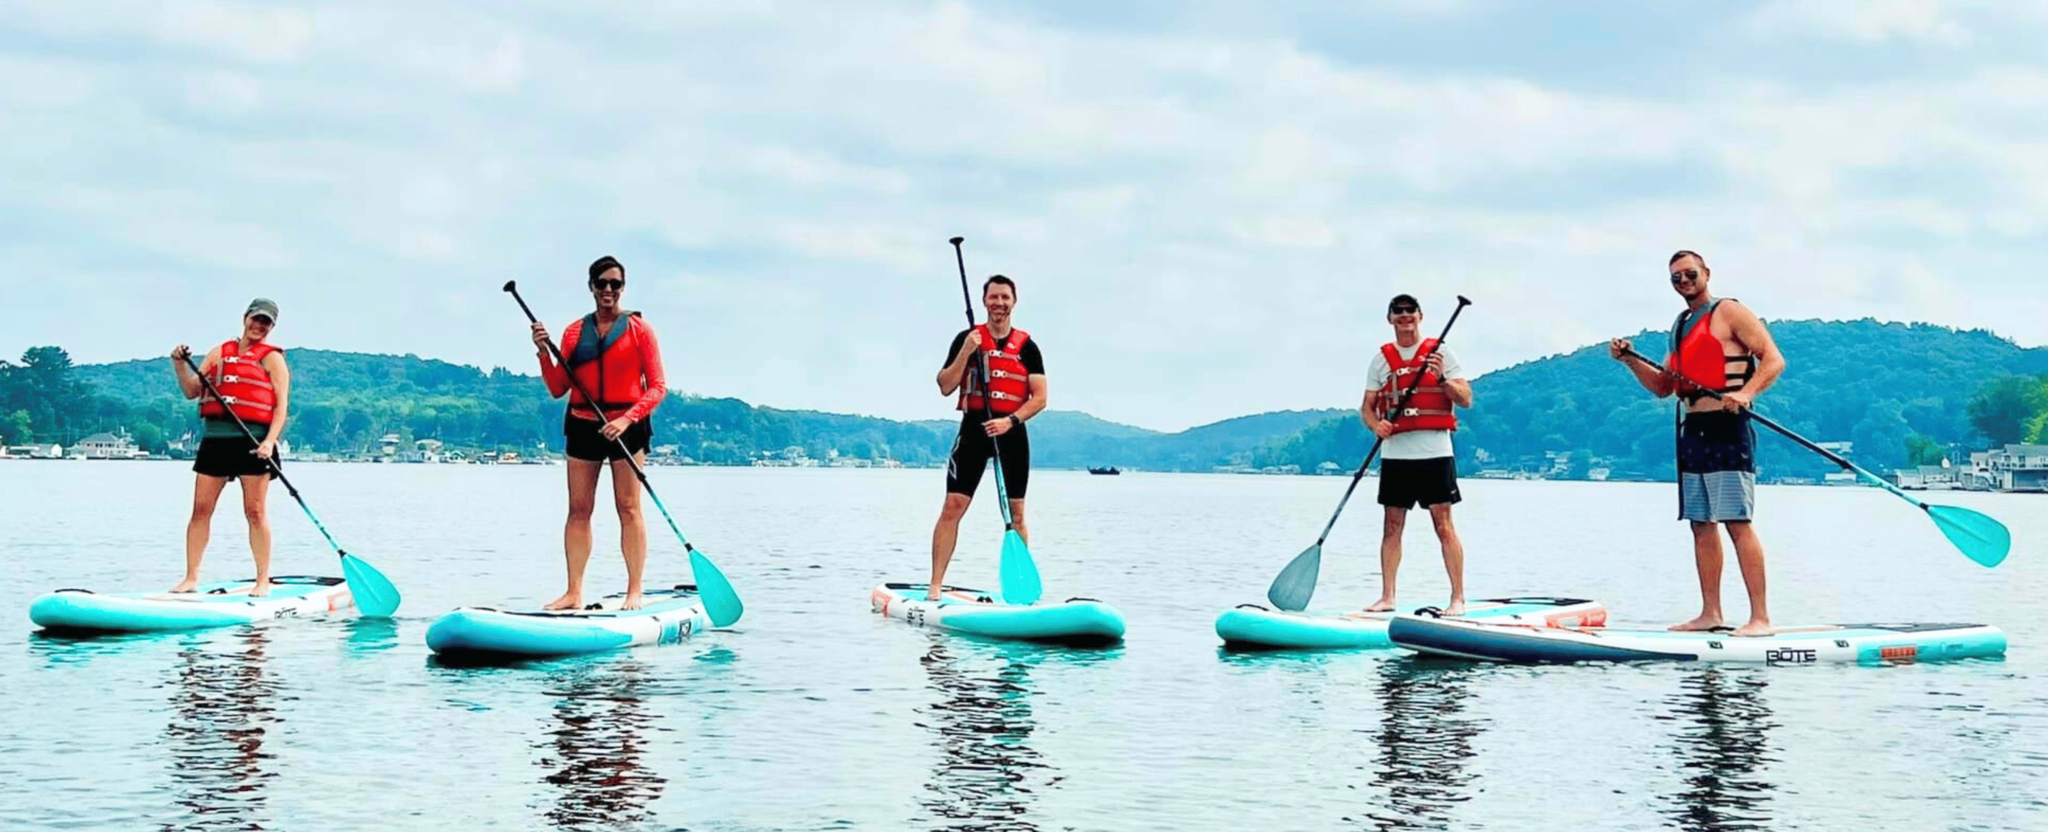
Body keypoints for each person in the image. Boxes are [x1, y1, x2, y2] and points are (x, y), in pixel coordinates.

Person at [1609, 250, 1786, 637]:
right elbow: (1662, 387)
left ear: (1706, 273)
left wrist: (1747, 393)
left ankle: (1761, 618)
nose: (1684, 281)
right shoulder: (1681, 325)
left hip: (1728, 426)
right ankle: (1711, 613)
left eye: (1690, 273)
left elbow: (1773, 360)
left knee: (1737, 521)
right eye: (1675, 277)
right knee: (1700, 524)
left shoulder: (1730, 312)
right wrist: (1629, 361)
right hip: (1693, 428)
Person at [531, 255, 668, 611]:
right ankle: (574, 592)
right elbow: (558, 388)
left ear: (623, 288)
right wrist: (544, 353)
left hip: (628, 426)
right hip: (582, 424)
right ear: (591, 286)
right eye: (602, 283)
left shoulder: (640, 330)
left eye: (615, 284)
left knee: (628, 507)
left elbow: (657, 387)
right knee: (578, 509)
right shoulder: (575, 332)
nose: (609, 290)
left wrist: (627, 419)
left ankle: (634, 590)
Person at [928, 275, 1047, 600]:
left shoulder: (1028, 347)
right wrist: (966, 351)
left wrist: (1010, 421)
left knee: (1017, 513)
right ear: (984, 301)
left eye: (1005, 297)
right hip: (974, 431)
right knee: (953, 505)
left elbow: (1039, 397)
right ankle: (935, 586)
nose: (999, 303)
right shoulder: (967, 338)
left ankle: (1022, 592)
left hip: (1011, 433)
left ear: (1014, 302)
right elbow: (945, 385)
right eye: (993, 297)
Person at [1360, 294, 1474, 615]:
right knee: (1392, 527)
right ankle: (1387, 597)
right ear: (1390, 318)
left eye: (1411, 310)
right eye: (1398, 311)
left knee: (1444, 525)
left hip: (1435, 454)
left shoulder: (1441, 353)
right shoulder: (1380, 360)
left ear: (1420, 316)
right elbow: (1367, 407)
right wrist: (1375, 426)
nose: (1405, 316)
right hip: (1396, 456)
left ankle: (1457, 599)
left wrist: (1440, 379)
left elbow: (1465, 398)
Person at [169, 298, 290, 596]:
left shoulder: (272, 359)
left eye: (267, 322)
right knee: (200, 510)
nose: (259, 326)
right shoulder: (219, 353)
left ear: (272, 327)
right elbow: (191, 391)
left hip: (254, 442)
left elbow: (281, 405)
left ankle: (262, 580)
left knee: (255, 511)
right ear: (245, 318)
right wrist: (179, 365)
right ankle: (191, 578)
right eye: (256, 319)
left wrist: (270, 441)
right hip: (216, 441)